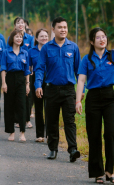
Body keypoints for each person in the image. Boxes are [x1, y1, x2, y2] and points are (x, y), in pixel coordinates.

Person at [75, 22, 114, 183]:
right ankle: (98, 173)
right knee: (94, 135)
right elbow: (81, 80)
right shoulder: (86, 59)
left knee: (110, 133)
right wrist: (78, 100)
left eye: (104, 37)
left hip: (110, 98)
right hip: (93, 98)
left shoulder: (112, 55)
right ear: (91, 41)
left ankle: (110, 171)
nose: (102, 40)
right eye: (98, 37)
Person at [35, 16, 82, 161]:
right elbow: (40, 68)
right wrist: (37, 85)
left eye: (65, 27)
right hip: (51, 89)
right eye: (60, 27)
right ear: (53, 29)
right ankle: (53, 149)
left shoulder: (73, 47)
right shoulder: (47, 48)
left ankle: (73, 149)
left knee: (70, 120)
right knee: (52, 121)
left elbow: (79, 72)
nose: (63, 30)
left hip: (68, 90)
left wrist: (82, 91)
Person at [0, 30, 30, 142]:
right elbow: (3, 68)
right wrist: (3, 83)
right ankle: (11, 132)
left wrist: (27, 84)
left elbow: (27, 70)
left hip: (21, 80)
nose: (19, 39)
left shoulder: (25, 53)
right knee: (9, 106)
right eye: (17, 37)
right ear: (12, 38)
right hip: (9, 79)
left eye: (21, 37)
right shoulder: (6, 52)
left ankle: (22, 133)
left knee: (22, 106)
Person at [8, 17, 34, 129]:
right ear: (15, 25)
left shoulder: (30, 38)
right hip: (15, 69)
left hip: (27, 69)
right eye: (18, 23)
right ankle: (17, 119)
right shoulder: (11, 37)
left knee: (27, 96)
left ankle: (27, 119)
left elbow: (32, 53)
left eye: (22, 23)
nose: (20, 25)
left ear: (25, 25)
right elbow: (8, 52)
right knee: (16, 96)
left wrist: (31, 68)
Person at [28, 28, 49, 142]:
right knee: (39, 107)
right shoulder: (32, 51)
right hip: (37, 79)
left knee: (49, 108)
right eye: (41, 36)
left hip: (50, 78)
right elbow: (29, 66)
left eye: (46, 36)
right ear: (36, 38)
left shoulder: (51, 49)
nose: (44, 38)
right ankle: (40, 135)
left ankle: (49, 134)